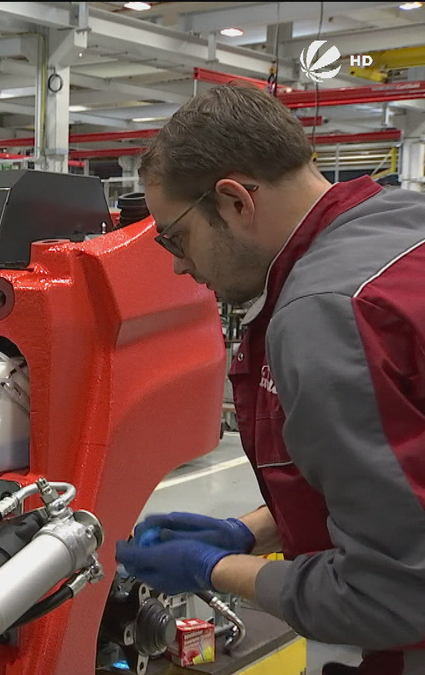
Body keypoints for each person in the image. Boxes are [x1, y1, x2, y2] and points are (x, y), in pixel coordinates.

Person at [114, 83, 425, 674]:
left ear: (235, 200)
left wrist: (212, 568)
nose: (180, 264)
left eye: (175, 238)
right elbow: (402, 493)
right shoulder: (403, 227)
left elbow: (393, 595)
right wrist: (253, 530)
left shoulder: (327, 312)